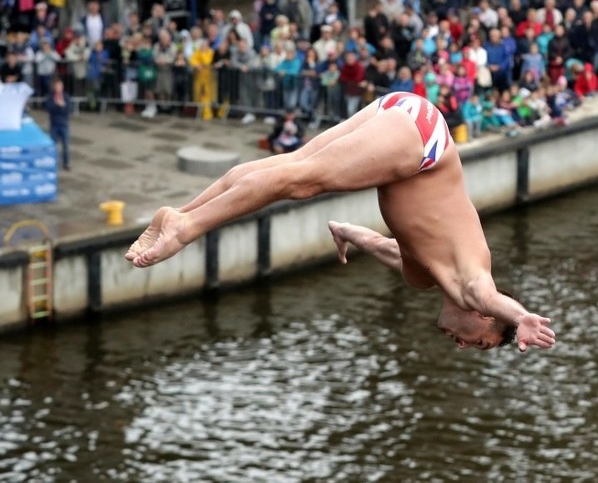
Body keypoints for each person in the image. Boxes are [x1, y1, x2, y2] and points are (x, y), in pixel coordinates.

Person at [125, 91, 556, 352]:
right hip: (422, 143)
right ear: (483, 318)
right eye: (478, 342)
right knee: (302, 181)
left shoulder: (428, 277)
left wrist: (351, 232)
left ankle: (180, 214)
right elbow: (486, 295)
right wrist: (521, 319)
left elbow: (393, 248)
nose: (462, 345)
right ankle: (186, 229)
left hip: (410, 120)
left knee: (294, 165)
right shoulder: (473, 278)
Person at [45, 78, 71, 171]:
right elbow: (49, 109)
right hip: (54, 124)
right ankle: (53, 162)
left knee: (65, 145)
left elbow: (68, 110)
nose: (59, 88)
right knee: (53, 145)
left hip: (64, 124)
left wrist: (61, 106)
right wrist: (57, 105)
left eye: (60, 86)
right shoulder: (51, 97)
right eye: (57, 86)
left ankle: (66, 163)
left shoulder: (66, 96)